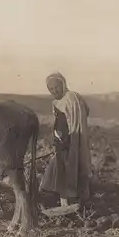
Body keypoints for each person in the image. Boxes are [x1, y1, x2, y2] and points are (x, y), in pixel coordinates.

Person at [39, 72, 92, 207]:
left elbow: (84, 111)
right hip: (61, 142)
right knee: (58, 167)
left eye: (56, 87)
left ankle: (74, 200)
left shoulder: (72, 97)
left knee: (72, 166)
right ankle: (62, 200)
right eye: (50, 89)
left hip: (73, 140)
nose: (54, 91)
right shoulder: (56, 102)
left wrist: (69, 138)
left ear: (63, 84)